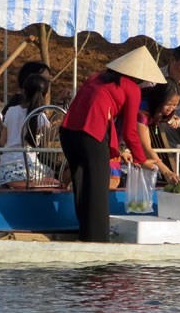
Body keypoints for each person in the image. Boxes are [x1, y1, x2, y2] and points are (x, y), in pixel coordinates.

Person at [60, 46, 164, 242]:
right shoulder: (132, 88)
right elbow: (130, 131)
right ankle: (98, 239)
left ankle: (85, 234)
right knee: (98, 190)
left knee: (82, 186)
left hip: (68, 134)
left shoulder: (95, 77)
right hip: (91, 135)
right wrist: (142, 160)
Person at [0, 73, 54, 186]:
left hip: (5, 169)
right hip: (29, 169)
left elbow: (2, 142)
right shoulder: (40, 116)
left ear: (24, 92)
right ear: (45, 96)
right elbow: (49, 137)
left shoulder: (11, 111)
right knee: (52, 174)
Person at [137, 81, 180, 185]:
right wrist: (166, 171)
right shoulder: (142, 111)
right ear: (158, 99)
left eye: (175, 105)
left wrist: (168, 118)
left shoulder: (158, 109)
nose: (171, 109)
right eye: (168, 104)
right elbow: (146, 147)